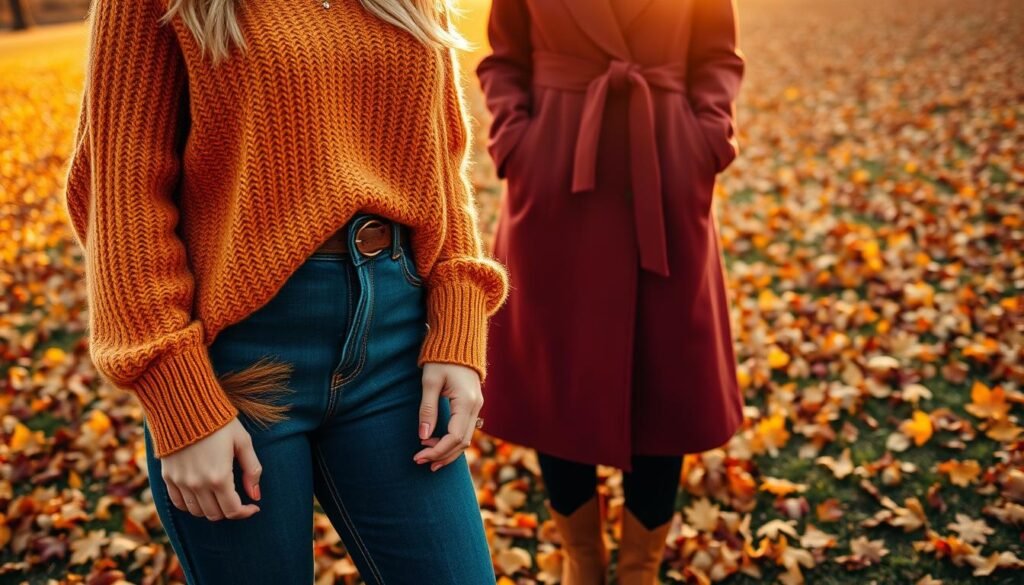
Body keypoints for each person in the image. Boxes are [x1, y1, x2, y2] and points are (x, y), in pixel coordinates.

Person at [62, 0, 507, 583]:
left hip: (396, 343)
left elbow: (439, 157)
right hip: (240, 364)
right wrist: (177, 395)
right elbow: (121, 195)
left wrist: (457, 322)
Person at [476, 0, 746, 583]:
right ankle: (584, 562)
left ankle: (640, 569)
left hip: (666, 169)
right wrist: (517, 142)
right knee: (559, 376)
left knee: (664, 375)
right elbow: (503, 59)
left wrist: (708, 140)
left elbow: (717, 56)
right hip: (556, 177)